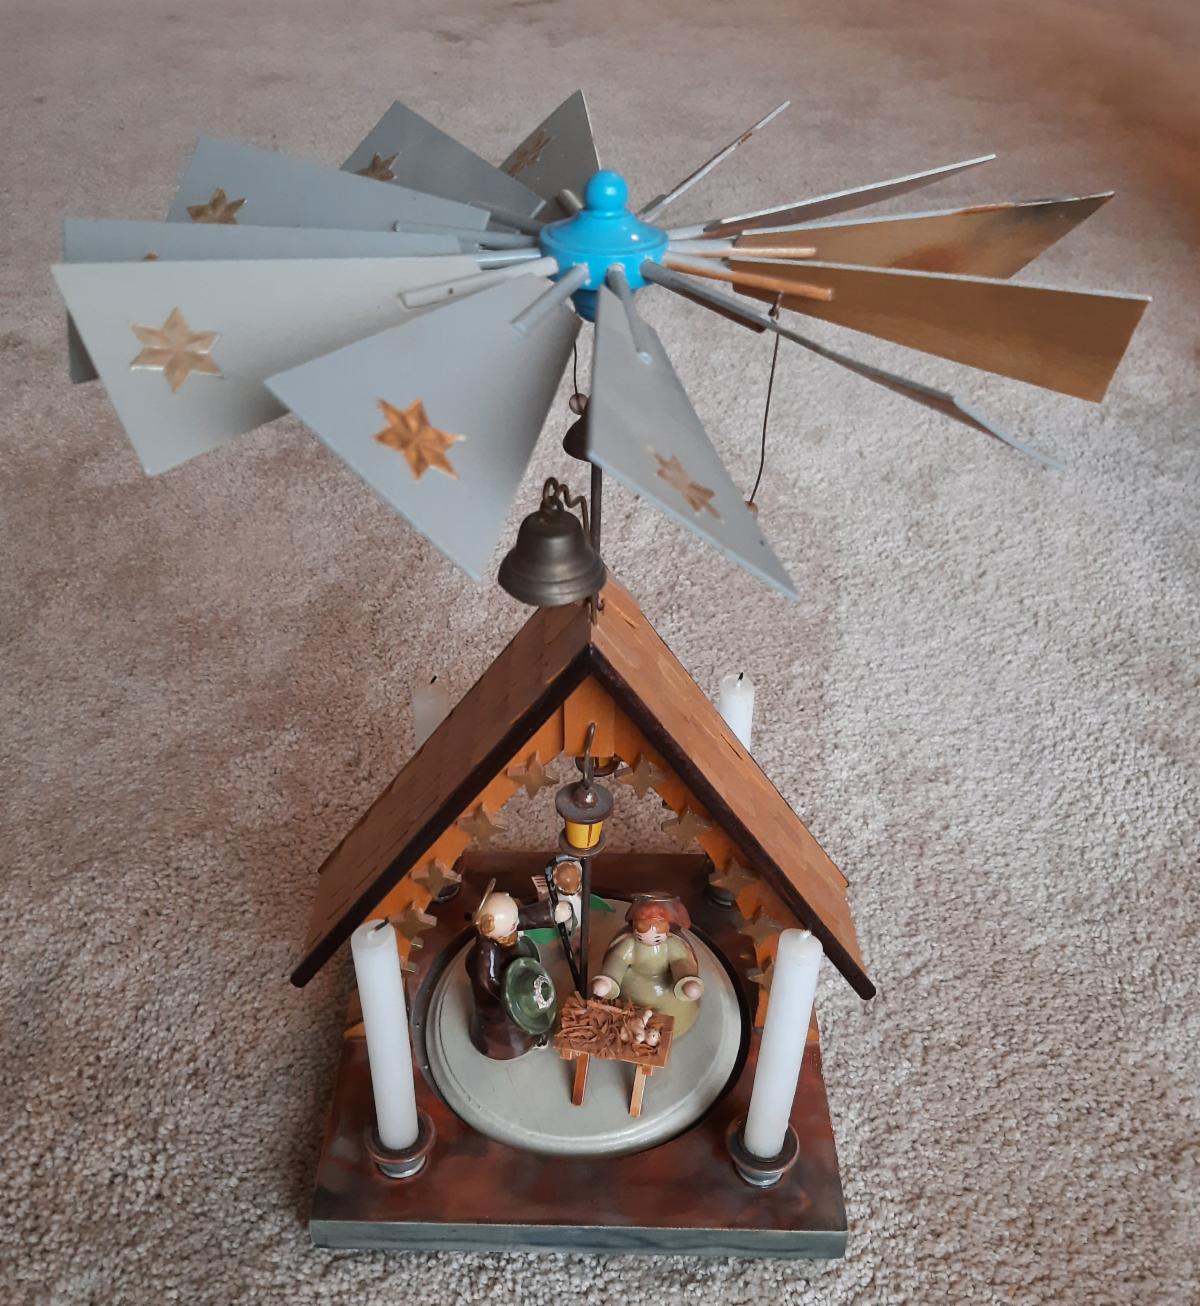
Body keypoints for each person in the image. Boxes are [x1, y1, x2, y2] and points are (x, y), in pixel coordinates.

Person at [466, 888, 571, 1059]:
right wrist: (513, 995)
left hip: (519, 966)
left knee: (528, 1012)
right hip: (502, 998)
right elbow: (488, 981)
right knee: (512, 1025)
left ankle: (532, 1033)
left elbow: (526, 917)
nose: (515, 925)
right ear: (489, 927)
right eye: (511, 924)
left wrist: (553, 913)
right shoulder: (485, 953)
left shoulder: (506, 924)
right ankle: (520, 1044)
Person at [590, 898, 705, 1037]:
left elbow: (679, 961)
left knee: (673, 1008)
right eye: (641, 935)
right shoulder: (630, 944)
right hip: (631, 986)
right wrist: (608, 980)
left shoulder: (671, 945)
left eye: (657, 937)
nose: (650, 940)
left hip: (666, 986)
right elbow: (618, 959)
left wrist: (686, 981)